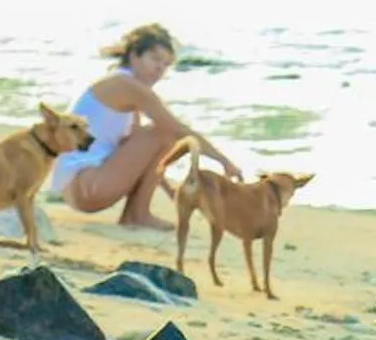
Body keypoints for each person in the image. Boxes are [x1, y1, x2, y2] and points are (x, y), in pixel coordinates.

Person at [49, 24, 240, 230]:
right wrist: (224, 161)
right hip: (86, 185)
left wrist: (168, 190)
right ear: (134, 56)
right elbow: (177, 129)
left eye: (166, 65)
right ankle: (137, 215)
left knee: (149, 134)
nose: (160, 69)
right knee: (161, 131)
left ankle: (136, 214)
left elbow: (139, 156)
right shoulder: (127, 85)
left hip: (81, 187)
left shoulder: (122, 87)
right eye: (155, 59)